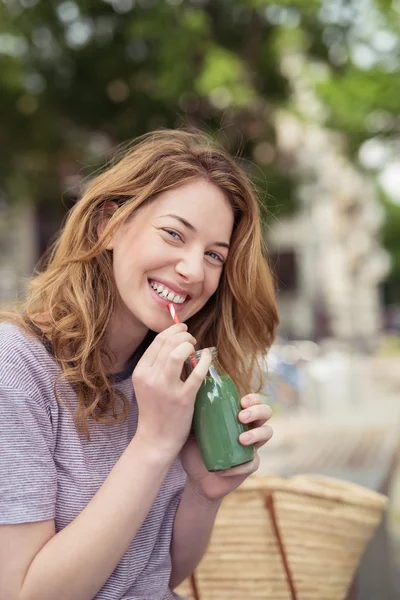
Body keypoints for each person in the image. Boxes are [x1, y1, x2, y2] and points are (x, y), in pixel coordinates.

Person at [0, 129, 279, 600]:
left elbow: (157, 574)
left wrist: (203, 490)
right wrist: (153, 443)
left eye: (214, 255)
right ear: (107, 225)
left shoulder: (170, 377)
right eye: (174, 233)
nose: (194, 270)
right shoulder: (17, 366)